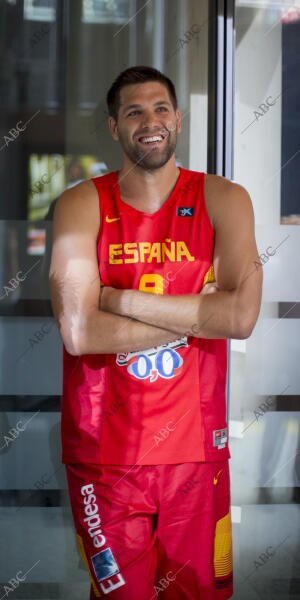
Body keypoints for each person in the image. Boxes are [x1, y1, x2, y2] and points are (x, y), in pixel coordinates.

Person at [49, 66, 262, 599]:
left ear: (179, 120)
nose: (151, 122)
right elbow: (77, 331)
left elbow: (239, 319)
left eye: (161, 108)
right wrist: (196, 315)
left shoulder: (223, 199)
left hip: (196, 453)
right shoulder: (81, 204)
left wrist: (116, 300)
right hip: (105, 454)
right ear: (115, 127)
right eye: (135, 112)